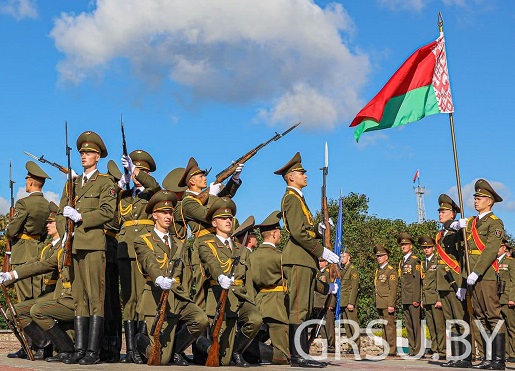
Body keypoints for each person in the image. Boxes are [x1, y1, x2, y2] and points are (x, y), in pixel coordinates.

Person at [274, 152, 339, 368]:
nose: (306, 175)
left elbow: (306, 230)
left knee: (305, 307)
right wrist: (322, 251)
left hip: (305, 258)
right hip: (299, 257)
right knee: (299, 307)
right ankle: (297, 356)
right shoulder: (291, 198)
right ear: (291, 177)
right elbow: (297, 233)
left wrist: (320, 231)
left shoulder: (299, 198)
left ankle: (301, 354)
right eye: (302, 173)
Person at [58, 130, 116, 365]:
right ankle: (80, 349)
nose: (83, 156)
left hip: (93, 245)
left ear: (98, 157)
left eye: (89, 153)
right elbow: (62, 211)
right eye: (82, 152)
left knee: (95, 296)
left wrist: (81, 216)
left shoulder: (104, 182)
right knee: (79, 297)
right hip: (74, 246)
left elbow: (107, 212)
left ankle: (93, 351)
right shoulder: (72, 184)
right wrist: (64, 233)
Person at [132, 190, 209, 365]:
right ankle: (139, 341)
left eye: (170, 213)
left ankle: (174, 350)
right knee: (159, 359)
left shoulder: (180, 243)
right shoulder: (143, 240)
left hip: (177, 297)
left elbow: (186, 272)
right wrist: (158, 278)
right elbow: (148, 260)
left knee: (201, 319)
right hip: (156, 296)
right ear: (154, 215)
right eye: (164, 213)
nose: (168, 216)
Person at [0, 201, 75, 362]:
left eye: (51, 222)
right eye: (47, 222)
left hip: (57, 294)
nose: (47, 226)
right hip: (47, 294)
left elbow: (42, 266)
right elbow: (31, 265)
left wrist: (12, 275)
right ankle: (42, 344)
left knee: (36, 309)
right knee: (14, 311)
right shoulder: (47, 248)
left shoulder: (63, 248)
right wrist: (8, 277)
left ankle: (59, 348)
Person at [197, 197, 263, 366]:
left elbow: (248, 279)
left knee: (255, 319)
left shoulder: (240, 248)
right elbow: (210, 262)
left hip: (240, 297)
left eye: (230, 218)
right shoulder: (206, 244)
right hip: (220, 297)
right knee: (221, 360)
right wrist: (220, 276)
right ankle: (200, 345)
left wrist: (251, 300)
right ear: (214, 222)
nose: (228, 221)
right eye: (223, 218)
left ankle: (237, 351)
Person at [452, 179, 506, 370]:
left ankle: (498, 360)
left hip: (486, 275)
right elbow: (465, 253)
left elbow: (490, 250)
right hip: (472, 276)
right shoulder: (472, 222)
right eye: (475, 197)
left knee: (492, 316)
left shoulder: (495, 223)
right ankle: (486, 357)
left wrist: (476, 272)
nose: (476, 201)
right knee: (480, 317)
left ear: (489, 202)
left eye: (480, 198)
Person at [177, 157, 243, 307]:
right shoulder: (187, 201)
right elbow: (208, 216)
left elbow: (225, 198)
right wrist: (212, 194)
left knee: (221, 287)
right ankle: (199, 327)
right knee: (202, 290)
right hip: (202, 245)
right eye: (201, 176)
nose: (205, 178)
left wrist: (234, 177)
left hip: (218, 243)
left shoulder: (207, 196)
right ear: (192, 181)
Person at [115, 149, 160, 364]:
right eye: (134, 170)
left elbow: (156, 189)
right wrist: (120, 184)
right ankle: (131, 349)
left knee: (143, 298)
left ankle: (143, 346)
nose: (135, 174)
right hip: (125, 249)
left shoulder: (152, 193)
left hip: (144, 247)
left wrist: (138, 174)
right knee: (129, 299)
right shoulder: (124, 196)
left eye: (141, 171)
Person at [435, 194, 473, 368]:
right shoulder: (441, 234)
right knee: (451, 322)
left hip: (456, 282)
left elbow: (463, 258)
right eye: (440, 211)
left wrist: (463, 284)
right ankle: (456, 356)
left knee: (460, 320)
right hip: (443, 282)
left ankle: (465, 357)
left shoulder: (459, 232)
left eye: (444, 211)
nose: (440, 213)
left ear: (453, 214)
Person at [5, 161, 50, 302]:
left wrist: (7, 229)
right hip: (38, 252)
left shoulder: (23, 203)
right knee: (37, 295)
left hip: (23, 253)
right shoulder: (47, 205)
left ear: (30, 182)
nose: (25, 184)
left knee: (24, 298)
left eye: (27, 181)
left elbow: (11, 232)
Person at [250, 210, 290, 365]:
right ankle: (242, 347)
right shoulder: (279, 256)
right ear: (273, 234)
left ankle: (245, 347)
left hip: (258, 302)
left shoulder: (252, 256)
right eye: (279, 232)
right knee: (283, 356)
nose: (280, 235)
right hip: (277, 305)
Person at [419, 236, 446, 358]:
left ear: (433, 248)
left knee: (439, 326)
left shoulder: (437, 260)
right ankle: (435, 348)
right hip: (427, 298)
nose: (426, 249)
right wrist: (422, 299)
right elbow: (422, 283)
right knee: (431, 325)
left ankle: (443, 350)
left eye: (428, 247)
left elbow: (440, 281)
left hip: (435, 298)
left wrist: (440, 299)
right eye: (424, 247)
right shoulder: (423, 263)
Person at [397, 232, 422, 357]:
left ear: (411, 246)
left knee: (416, 325)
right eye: (402, 245)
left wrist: (416, 298)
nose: (404, 247)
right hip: (405, 297)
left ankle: (418, 350)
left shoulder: (414, 261)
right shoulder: (402, 261)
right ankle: (412, 349)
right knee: (409, 325)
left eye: (406, 244)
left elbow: (417, 281)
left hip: (413, 297)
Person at [373, 245, 397, 357]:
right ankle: (386, 349)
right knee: (383, 327)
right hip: (380, 302)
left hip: (387, 302)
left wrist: (391, 304)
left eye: (381, 256)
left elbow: (393, 289)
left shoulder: (390, 271)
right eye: (378, 256)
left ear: (386, 257)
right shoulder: (379, 270)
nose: (379, 258)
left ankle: (392, 350)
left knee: (389, 327)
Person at [312, 258, 336, 353]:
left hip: (326, 302)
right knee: (321, 326)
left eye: (322, 261)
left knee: (329, 326)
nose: (319, 263)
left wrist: (332, 303)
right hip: (318, 303)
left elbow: (333, 289)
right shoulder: (317, 273)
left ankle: (331, 346)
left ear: (326, 262)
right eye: (319, 261)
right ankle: (326, 345)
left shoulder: (328, 273)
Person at [497, 238, 515, 363]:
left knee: (512, 327)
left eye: (500, 246)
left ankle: (513, 352)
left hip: (507, 298)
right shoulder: (493, 262)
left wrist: (512, 298)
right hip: (497, 299)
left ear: (505, 248)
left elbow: (514, 281)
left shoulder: (510, 262)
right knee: (502, 327)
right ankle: (507, 352)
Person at [339, 251, 360, 354]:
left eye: (344, 256)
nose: (342, 258)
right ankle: (351, 347)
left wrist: (351, 302)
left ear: (349, 257)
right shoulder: (343, 270)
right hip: (343, 301)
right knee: (347, 326)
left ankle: (356, 346)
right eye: (341, 257)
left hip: (349, 302)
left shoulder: (352, 270)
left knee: (353, 325)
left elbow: (354, 288)